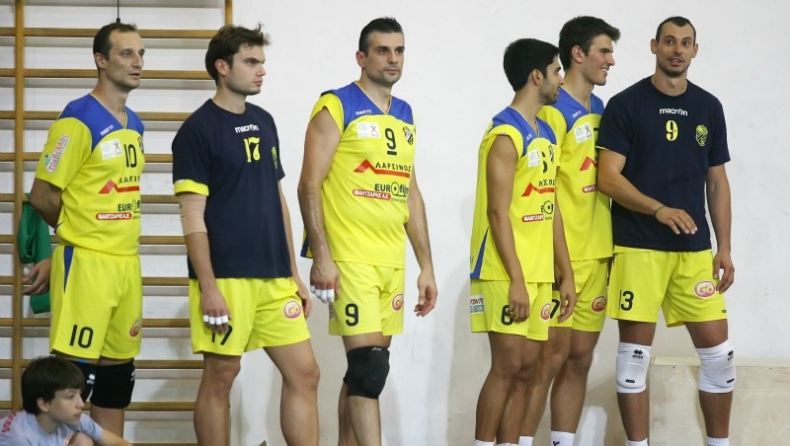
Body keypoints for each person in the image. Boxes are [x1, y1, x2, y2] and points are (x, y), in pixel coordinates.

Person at [171, 24, 320, 446]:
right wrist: (209, 286)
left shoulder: (264, 121)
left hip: (274, 277)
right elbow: (192, 217)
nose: (261, 70)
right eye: (251, 62)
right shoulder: (197, 131)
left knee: (305, 373)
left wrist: (293, 272)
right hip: (226, 277)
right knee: (222, 375)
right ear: (222, 67)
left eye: (262, 62)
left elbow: (277, 199)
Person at [297, 17, 437, 446]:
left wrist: (426, 266)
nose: (392, 59)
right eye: (382, 50)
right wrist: (321, 255)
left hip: (390, 261)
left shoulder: (405, 113)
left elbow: (410, 193)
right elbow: (309, 184)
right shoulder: (336, 105)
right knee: (370, 367)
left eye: (399, 50)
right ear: (361, 57)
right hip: (350, 259)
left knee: (364, 374)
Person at [597, 16, 735, 446]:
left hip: (694, 251)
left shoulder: (709, 107)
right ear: (654, 46)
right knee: (633, 362)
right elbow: (608, 177)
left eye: (685, 43)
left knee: (720, 358)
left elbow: (717, 182)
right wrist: (657, 209)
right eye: (670, 41)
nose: (677, 49)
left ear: (695, 50)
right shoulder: (626, 104)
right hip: (638, 246)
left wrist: (724, 247)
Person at [29, 22, 146, 437]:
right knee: (72, 389)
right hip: (87, 268)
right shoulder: (77, 119)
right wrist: (73, 241)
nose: (138, 62)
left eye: (141, 53)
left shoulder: (135, 123)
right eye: (126, 53)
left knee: (115, 384)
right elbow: (42, 195)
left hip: (126, 266)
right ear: (101, 60)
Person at [519, 17, 620, 446]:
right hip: (561, 259)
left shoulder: (603, 110)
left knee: (580, 359)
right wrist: (560, 264)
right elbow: (546, 192)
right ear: (578, 54)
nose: (611, 61)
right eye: (604, 51)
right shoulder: (551, 111)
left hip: (598, 253)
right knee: (548, 361)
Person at [470, 38, 576, 446]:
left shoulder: (546, 132)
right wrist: (515, 279)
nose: (561, 80)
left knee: (529, 369)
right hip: (504, 271)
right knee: (507, 367)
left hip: (539, 272)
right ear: (536, 76)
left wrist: (566, 273)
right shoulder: (504, 133)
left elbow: (551, 207)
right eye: (557, 71)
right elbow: (498, 213)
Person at [0, 356, 132, 446]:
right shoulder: (18, 438)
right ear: (44, 404)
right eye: (70, 396)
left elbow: (119, 443)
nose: (81, 404)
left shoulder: (74, 419)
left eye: (79, 394)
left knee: (83, 441)